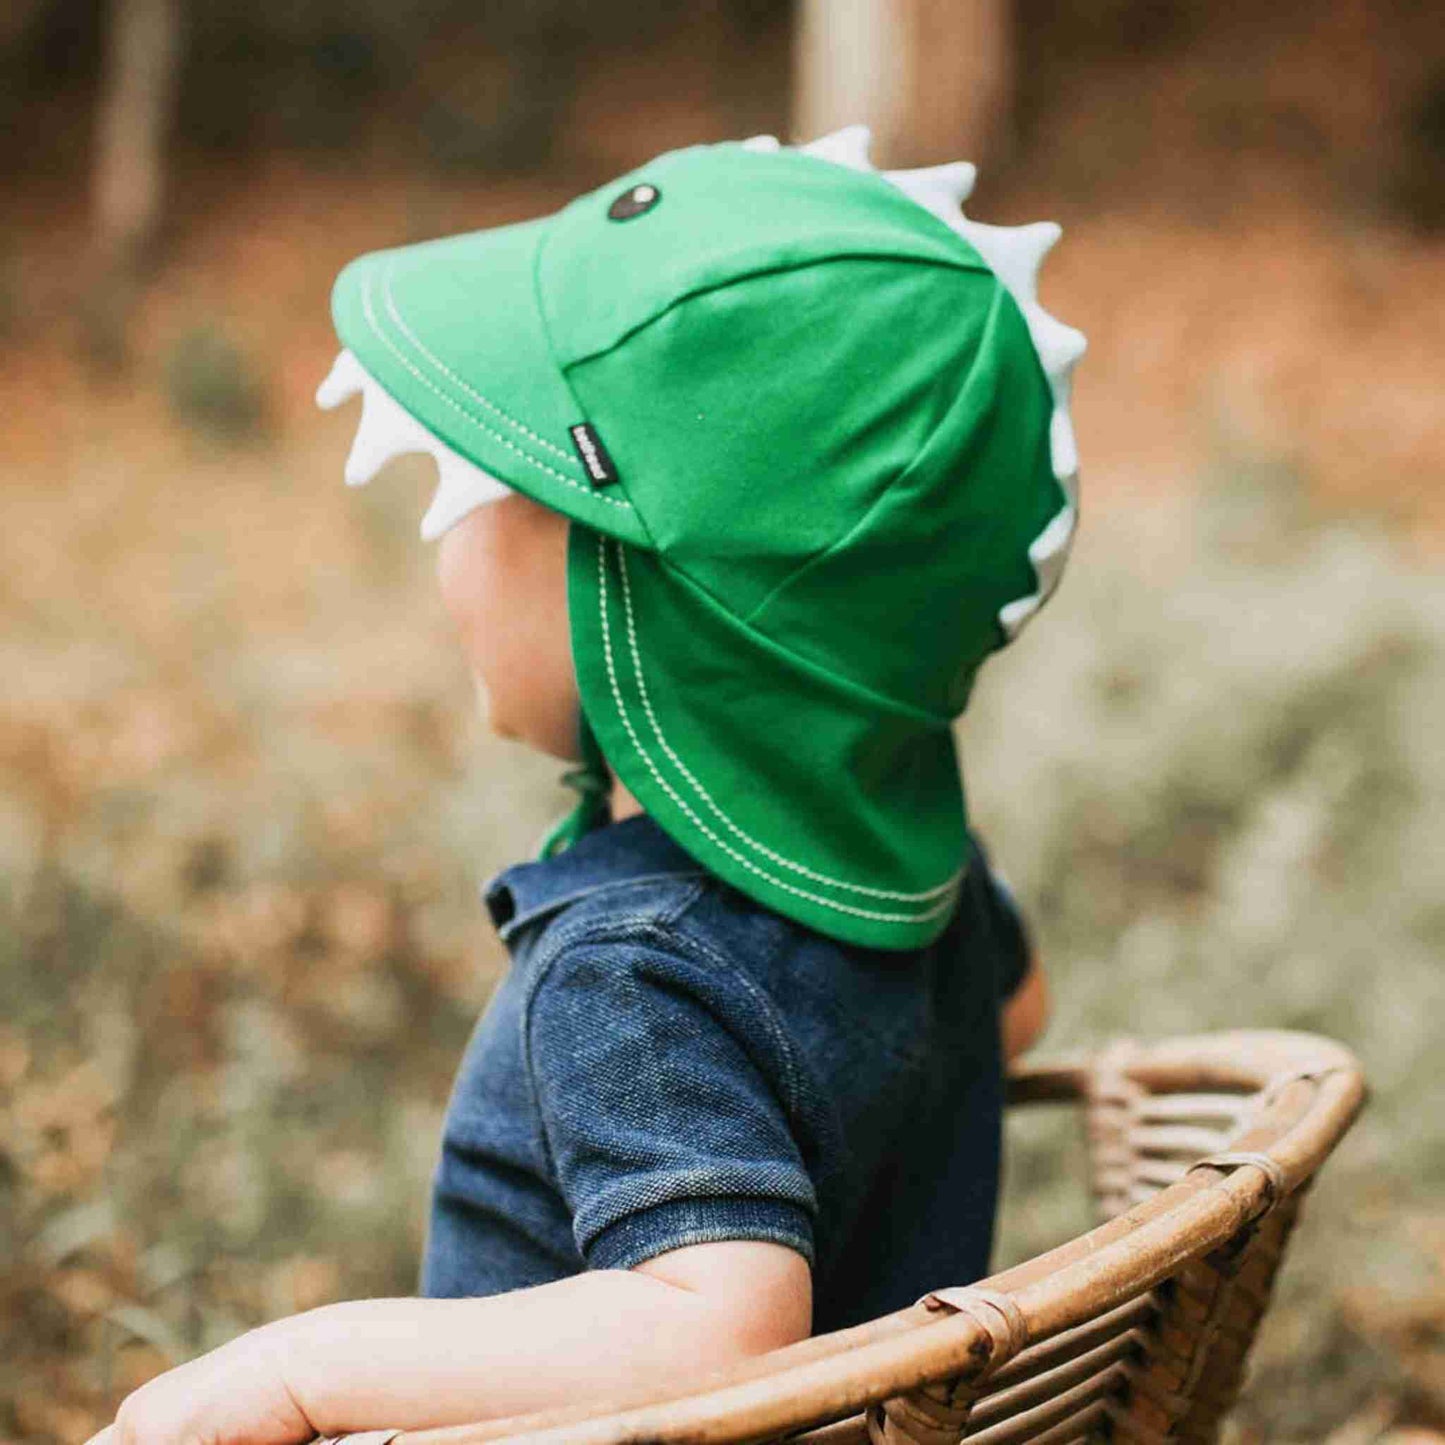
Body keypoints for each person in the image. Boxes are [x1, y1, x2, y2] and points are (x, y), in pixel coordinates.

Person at [86, 126, 1079, 1445]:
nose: (443, 532)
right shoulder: (913, 862)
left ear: (645, 604)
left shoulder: (631, 968)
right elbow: (1015, 1012)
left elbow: (720, 1325)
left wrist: (298, 1369)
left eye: (482, 485)